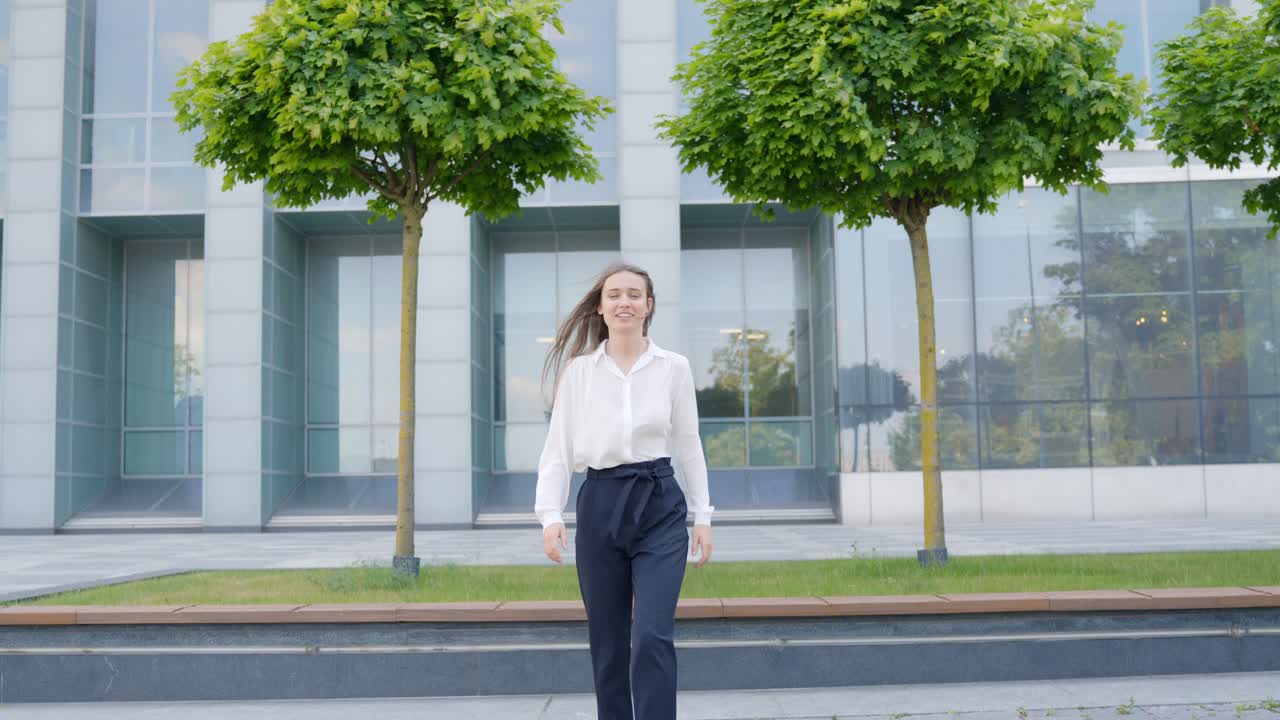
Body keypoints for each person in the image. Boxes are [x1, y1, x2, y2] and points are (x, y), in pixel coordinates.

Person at [535, 261, 714, 720]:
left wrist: (704, 516)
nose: (624, 302)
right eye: (614, 295)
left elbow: (689, 444)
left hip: (659, 502)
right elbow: (558, 448)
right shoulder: (579, 372)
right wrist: (550, 516)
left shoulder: (674, 368)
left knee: (653, 635)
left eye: (635, 294)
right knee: (609, 641)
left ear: (649, 306)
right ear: (601, 306)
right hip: (600, 503)